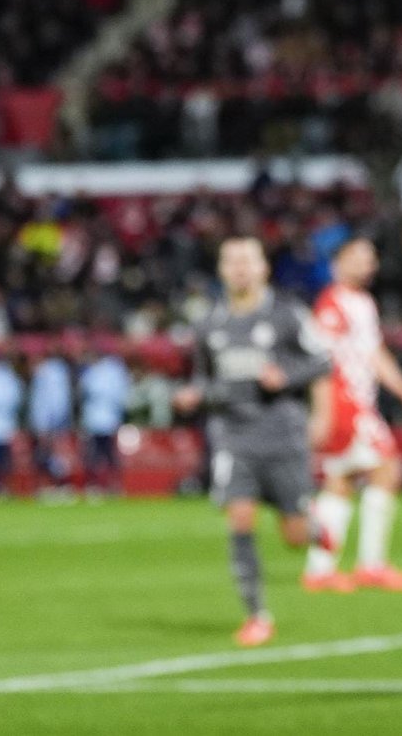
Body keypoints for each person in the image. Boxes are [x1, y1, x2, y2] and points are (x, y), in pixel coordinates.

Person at [172, 237, 336, 648]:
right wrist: (194, 394)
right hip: (233, 436)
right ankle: (257, 616)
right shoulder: (208, 323)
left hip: (282, 434)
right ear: (221, 270)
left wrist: (289, 378)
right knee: (240, 518)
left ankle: (313, 526)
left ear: (263, 267)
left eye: (247, 260)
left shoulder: (287, 314)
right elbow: (204, 376)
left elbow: (322, 359)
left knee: (294, 536)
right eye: (231, 261)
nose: (240, 267)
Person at [302, 236, 402, 593]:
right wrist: (324, 410)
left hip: (358, 403)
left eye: (371, 257)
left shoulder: (361, 302)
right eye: (359, 257)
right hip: (346, 404)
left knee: (341, 481)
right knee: (388, 471)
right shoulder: (332, 304)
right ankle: (369, 566)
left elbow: (375, 355)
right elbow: (321, 361)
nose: (369, 264)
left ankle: (321, 569)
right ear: (337, 263)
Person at [78, 349, 133, 497]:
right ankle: (108, 485)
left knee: (101, 455)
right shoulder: (113, 371)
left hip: (100, 420)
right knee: (103, 455)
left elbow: (87, 390)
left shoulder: (98, 372)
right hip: (102, 420)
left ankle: (101, 485)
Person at [28, 348, 74, 498]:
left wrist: (49, 424)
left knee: (53, 455)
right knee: (47, 455)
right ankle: (53, 485)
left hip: (50, 423)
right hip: (46, 423)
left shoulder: (51, 373)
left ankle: (60, 485)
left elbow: (56, 401)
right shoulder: (49, 372)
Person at [0, 351, 23, 496]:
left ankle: (1, 485)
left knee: (1, 458)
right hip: (1, 424)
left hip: (2, 424)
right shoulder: (7, 377)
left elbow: (13, 400)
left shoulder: (6, 377)